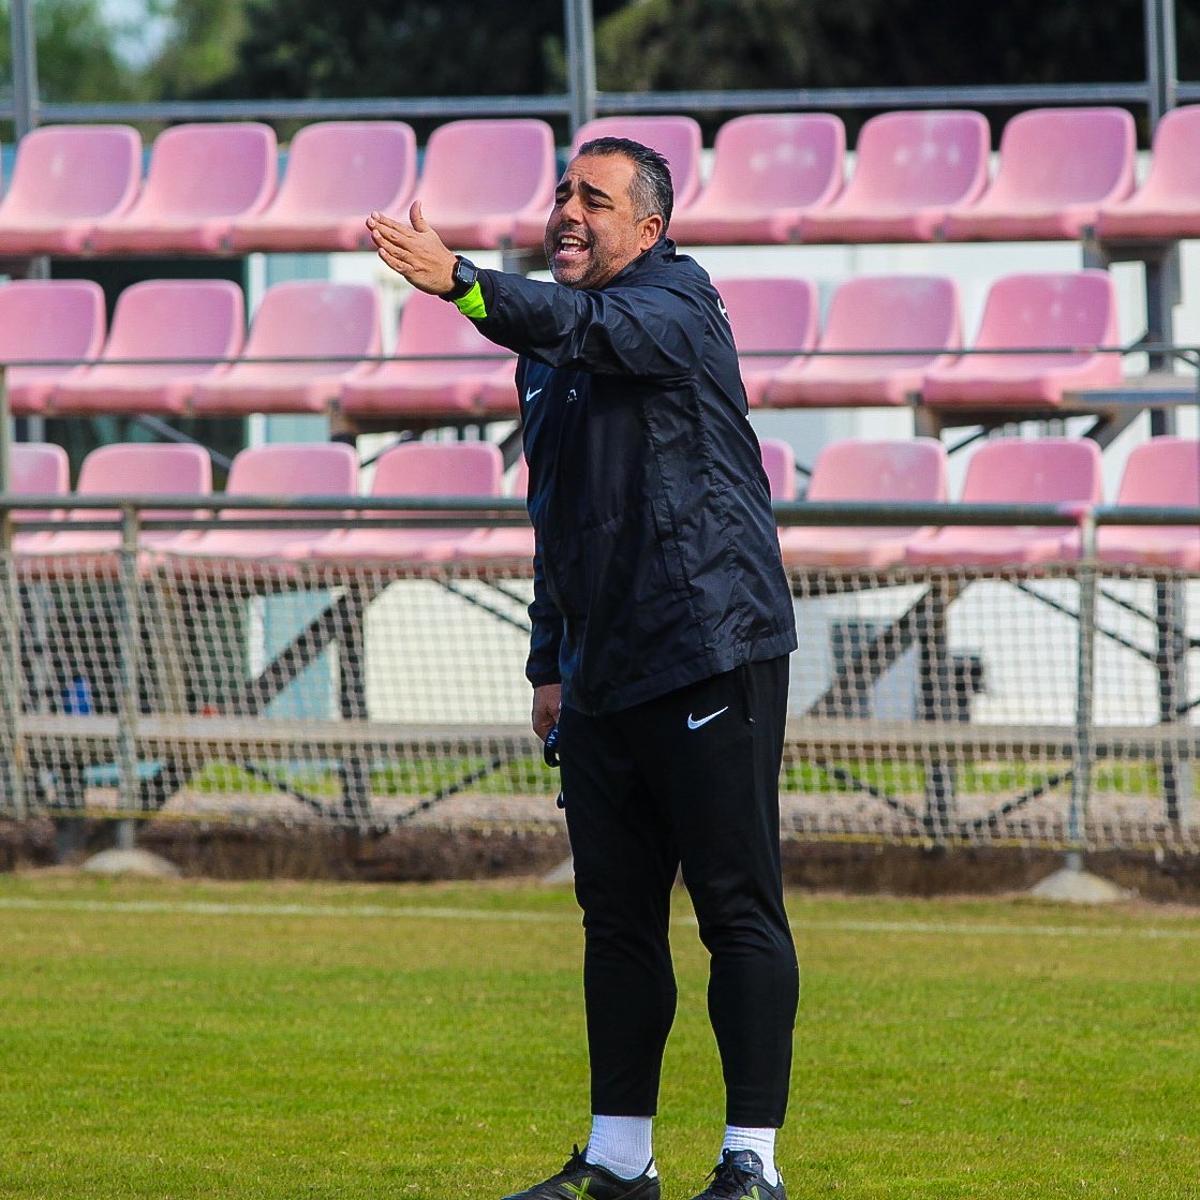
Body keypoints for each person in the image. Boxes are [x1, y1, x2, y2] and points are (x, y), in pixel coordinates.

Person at [367, 136, 799, 1200]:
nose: (567, 210)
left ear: (648, 229)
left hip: (706, 648)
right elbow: (556, 518)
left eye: (593, 199)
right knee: (616, 922)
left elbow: (590, 327)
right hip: (602, 670)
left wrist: (464, 284)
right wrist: (547, 663)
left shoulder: (678, 304)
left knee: (735, 911)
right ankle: (618, 1162)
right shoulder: (548, 348)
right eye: (563, 192)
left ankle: (753, 1163)